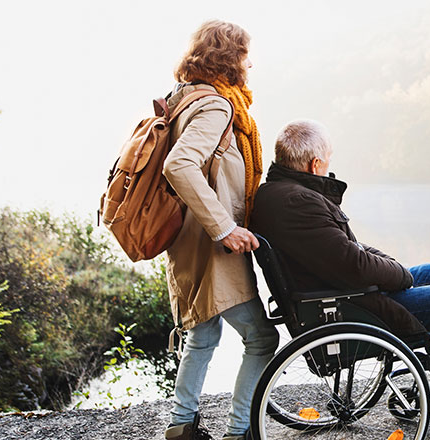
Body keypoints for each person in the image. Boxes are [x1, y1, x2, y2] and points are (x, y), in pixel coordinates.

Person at [249, 119, 430, 423]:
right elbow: (353, 265)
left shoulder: (278, 194)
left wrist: (395, 269)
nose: (328, 167)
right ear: (315, 164)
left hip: (338, 295)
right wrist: (400, 274)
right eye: (327, 161)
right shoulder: (299, 201)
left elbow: (346, 251)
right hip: (350, 307)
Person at [161, 20, 279, 440]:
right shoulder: (217, 106)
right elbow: (178, 166)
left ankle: (181, 425)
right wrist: (225, 227)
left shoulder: (184, 98)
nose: (250, 64)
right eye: (245, 55)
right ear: (230, 58)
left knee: (203, 333)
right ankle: (239, 430)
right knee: (261, 339)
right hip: (211, 244)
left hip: (185, 240)